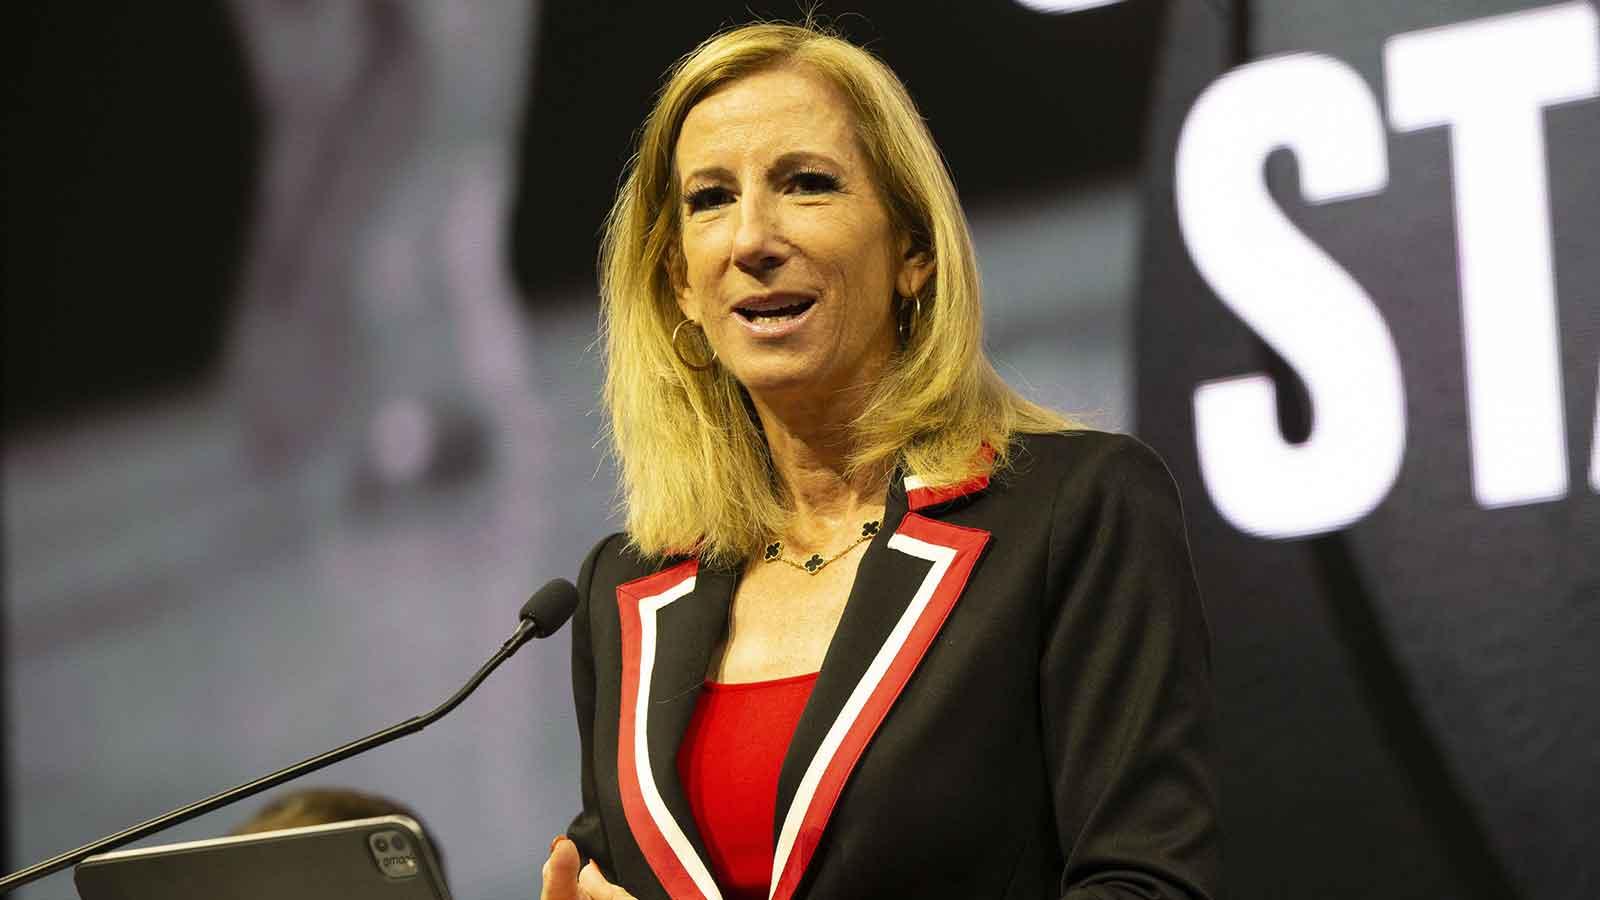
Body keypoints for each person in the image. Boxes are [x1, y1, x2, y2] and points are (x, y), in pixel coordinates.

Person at [539, 20, 1218, 900]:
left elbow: (1147, 886)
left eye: (807, 185)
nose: (750, 239)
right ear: (678, 282)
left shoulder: (1076, 513)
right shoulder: (622, 593)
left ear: (913, 250)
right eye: (710, 199)